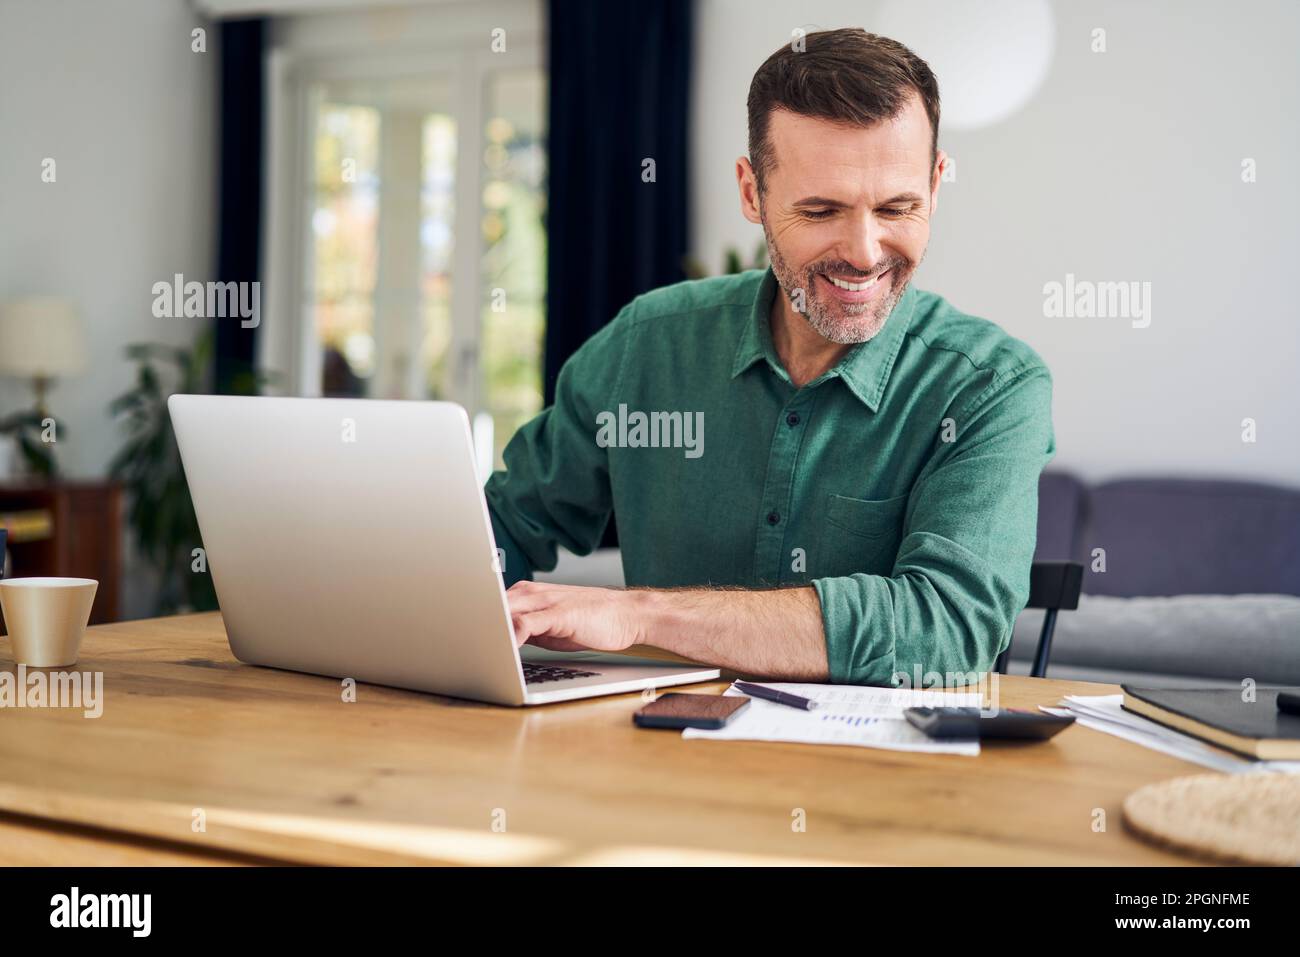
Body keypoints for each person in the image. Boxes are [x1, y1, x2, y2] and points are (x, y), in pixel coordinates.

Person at [485, 28, 1055, 686]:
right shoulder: (647, 345)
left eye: (898, 207)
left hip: (886, 780)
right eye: (820, 210)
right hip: (656, 761)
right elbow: (506, 524)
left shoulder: (989, 386)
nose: (865, 252)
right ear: (752, 193)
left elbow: (947, 629)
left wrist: (641, 615)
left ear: (935, 182)